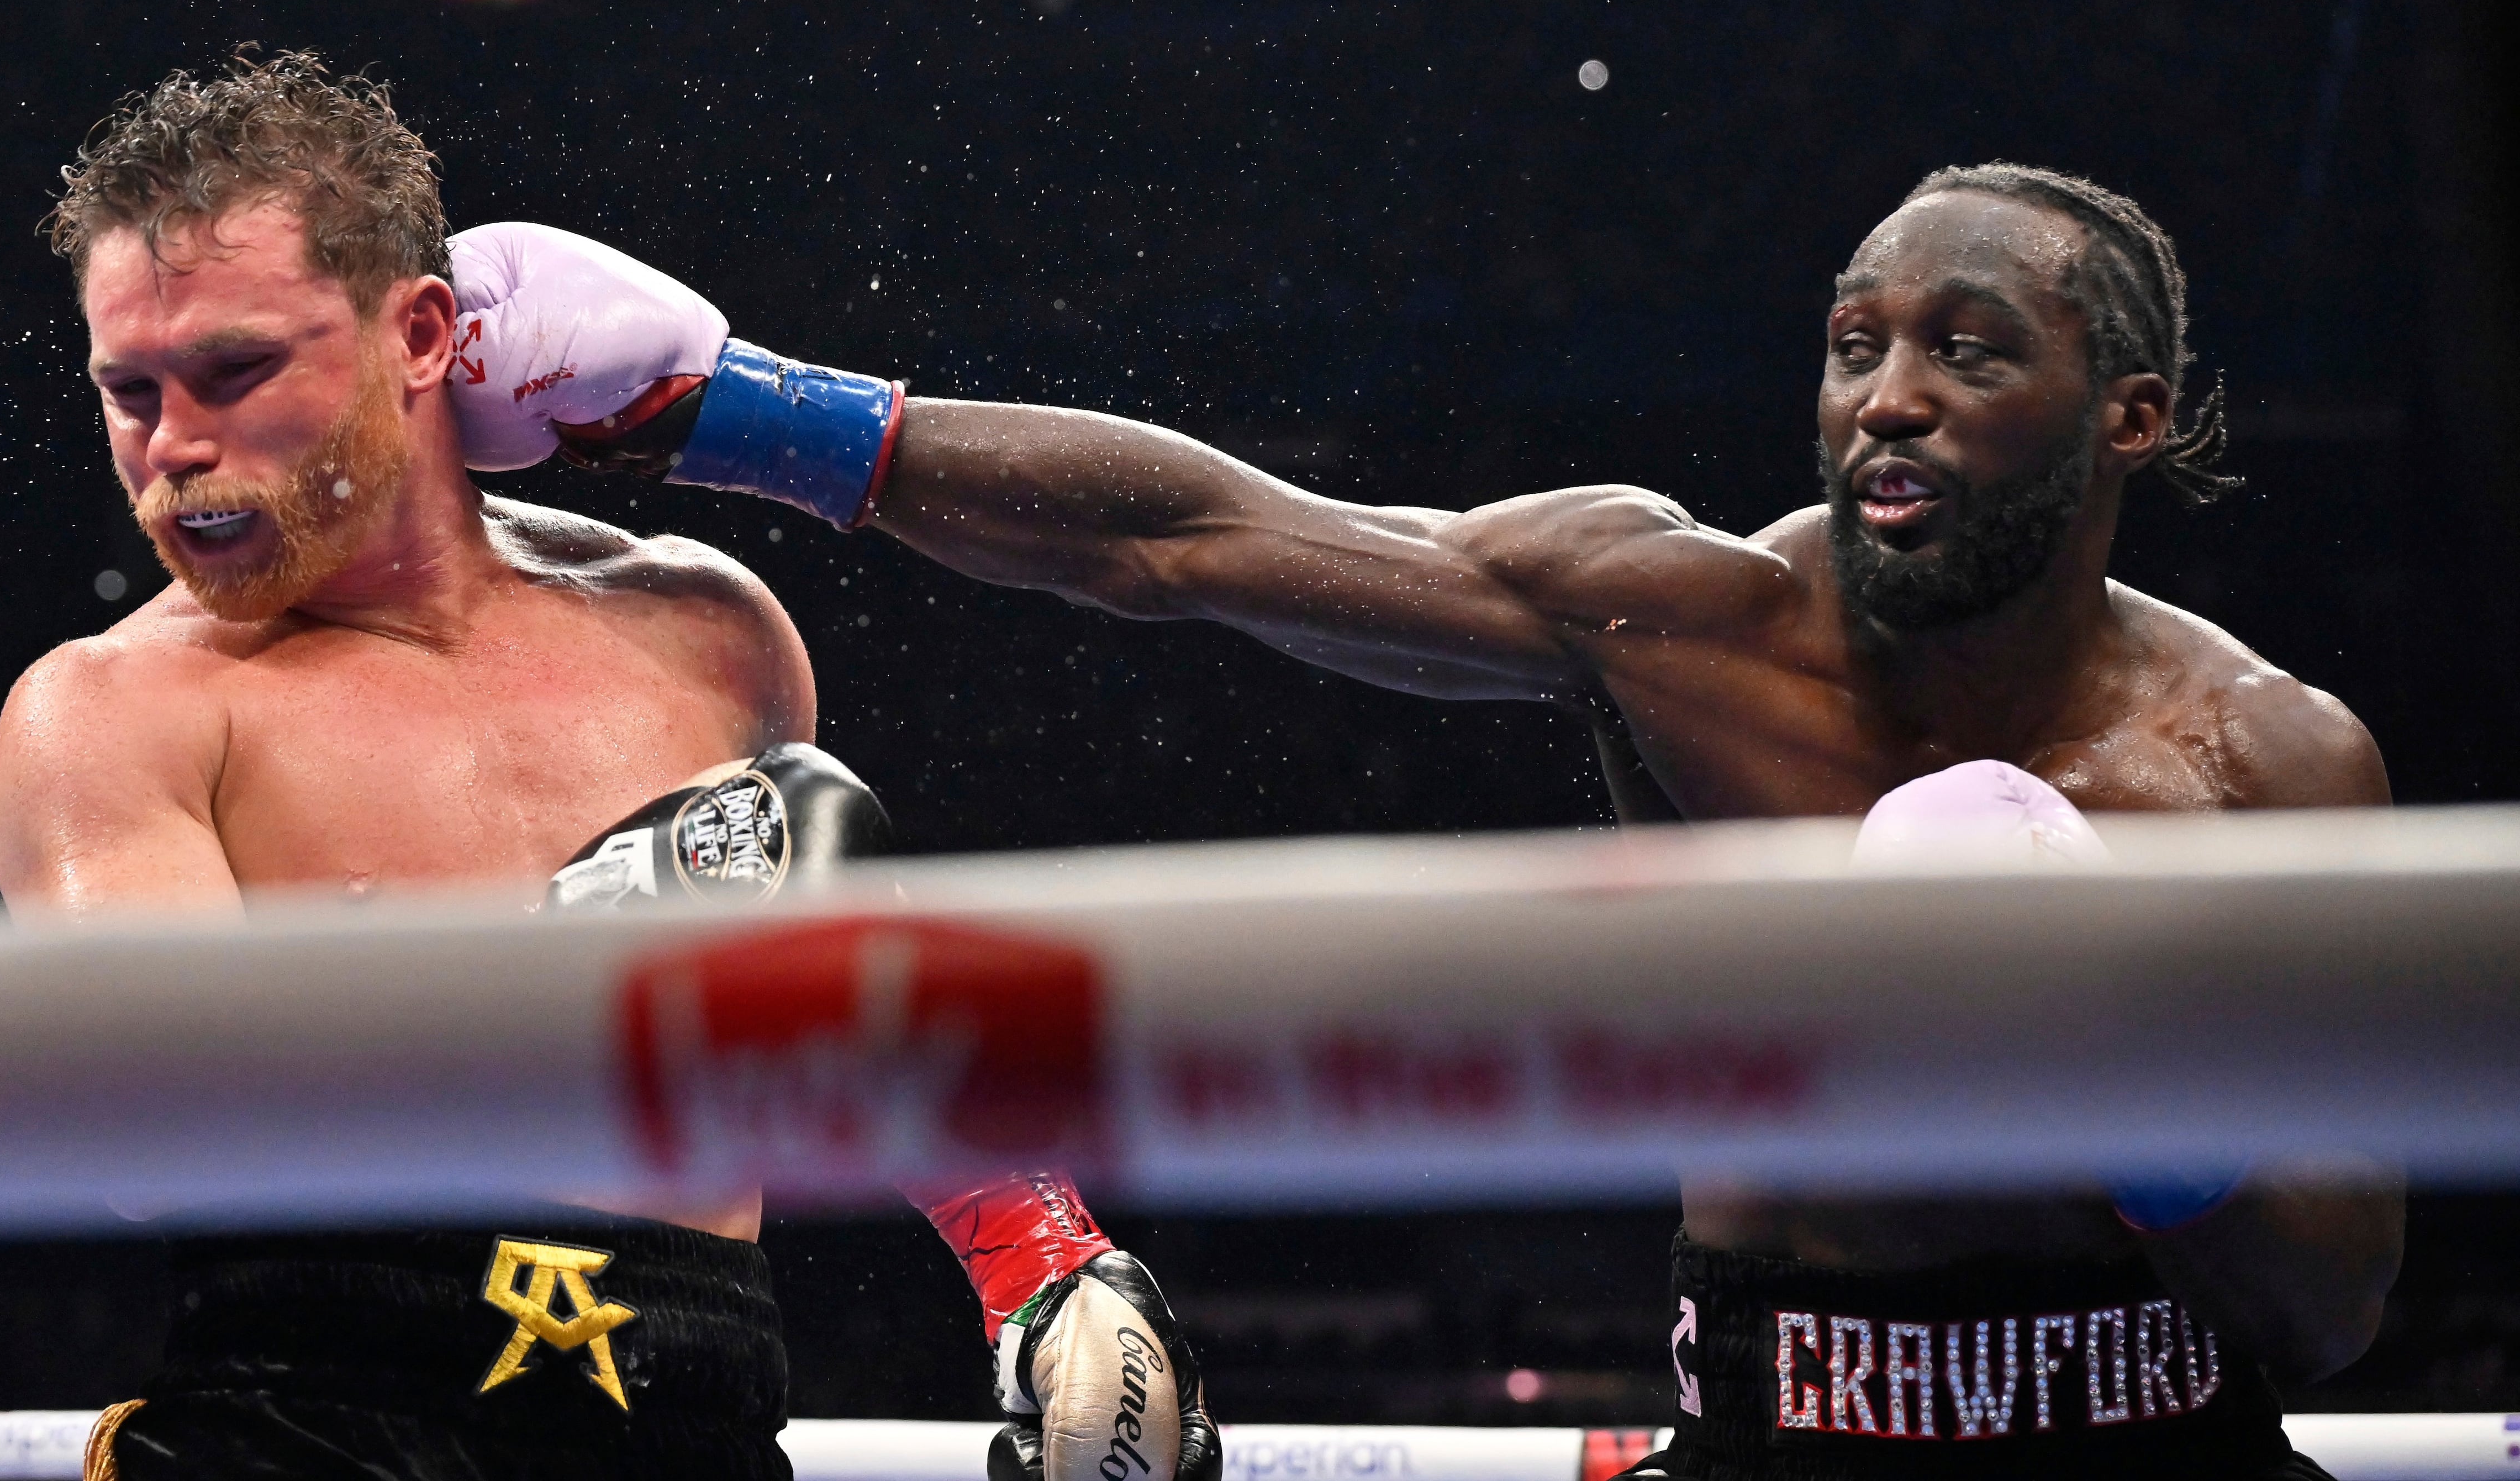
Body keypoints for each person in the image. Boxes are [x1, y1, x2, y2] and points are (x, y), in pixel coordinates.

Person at [484, 164, 2405, 1477]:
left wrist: (2138, 1097)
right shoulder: (1694, 623)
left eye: (1967, 350)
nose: (1884, 400)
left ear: (2128, 417)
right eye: (1852, 343)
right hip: (1775, 1433)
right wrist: (727, 412)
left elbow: (2336, 1304)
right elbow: (1197, 538)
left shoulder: (2263, 767)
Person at [0, 51, 1213, 1481]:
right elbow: (149, 1138)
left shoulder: (709, 636)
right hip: (312, 1432)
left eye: (238, 371)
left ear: (424, 335)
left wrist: (1039, 1261)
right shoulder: (111, 713)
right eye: (128, 391)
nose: (174, 449)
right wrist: (556, 967)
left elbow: (834, 1001)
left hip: (691, 1429)